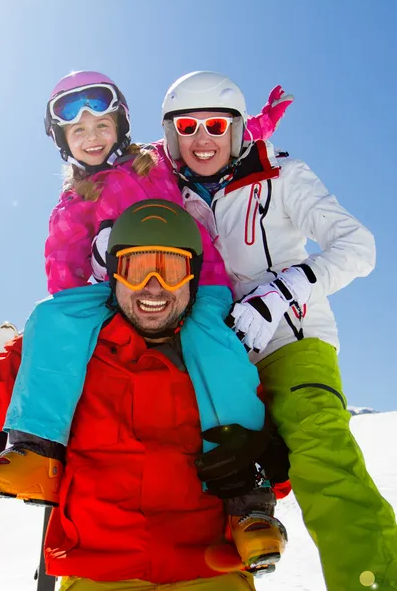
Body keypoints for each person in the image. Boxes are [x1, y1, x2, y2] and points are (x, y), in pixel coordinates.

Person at [0, 201, 291, 590]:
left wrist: (268, 454)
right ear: (112, 276)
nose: (153, 287)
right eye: (136, 270)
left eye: (171, 271)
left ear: (192, 279)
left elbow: (279, 455)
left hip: (210, 569)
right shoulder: (65, 350)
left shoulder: (223, 352)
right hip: (100, 571)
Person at [160, 70, 397, 590]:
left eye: (217, 126)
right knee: (206, 473)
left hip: (292, 341)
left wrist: (285, 290)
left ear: (238, 130)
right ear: (171, 134)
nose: (203, 139)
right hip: (213, 355)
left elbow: (360, 246)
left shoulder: (280, 175)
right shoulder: (163, 187)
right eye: (188, 126)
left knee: (320, 454)